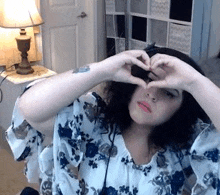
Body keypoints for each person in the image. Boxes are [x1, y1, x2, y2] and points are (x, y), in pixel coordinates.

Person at [6, 45, 220, 195]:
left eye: (169, 93)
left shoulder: (185, 148)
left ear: (182, 110)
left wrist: (194, 82)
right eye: (147, 80)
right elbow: (30, 107)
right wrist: (101, 70)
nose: (152, 93)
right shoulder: (93, 122)